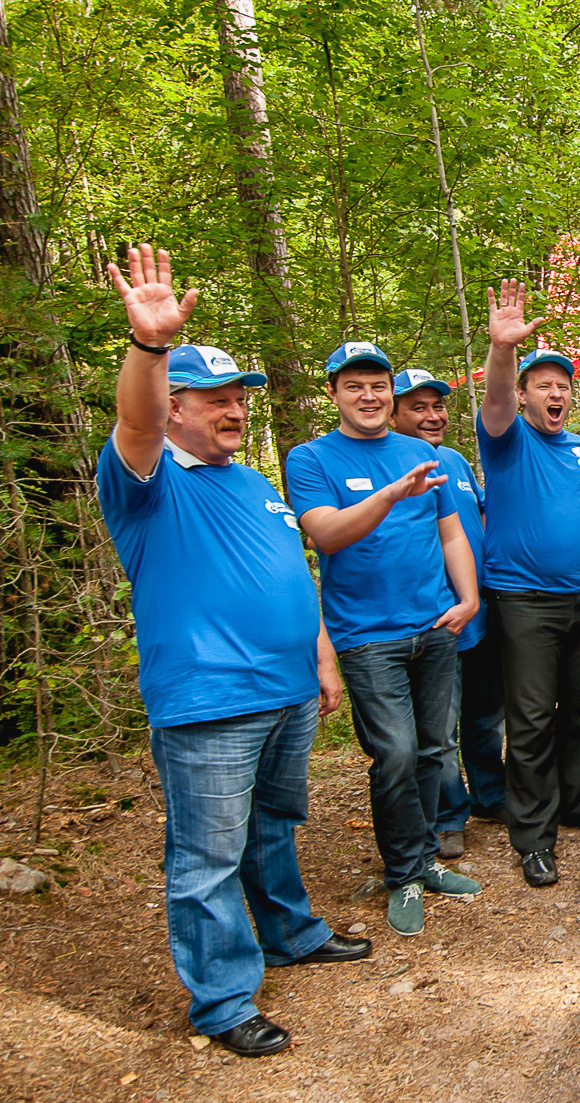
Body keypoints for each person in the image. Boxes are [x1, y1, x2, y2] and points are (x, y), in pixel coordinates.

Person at [98, 245, 370, 1058]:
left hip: (286, 690)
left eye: (239, 397)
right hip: (210, 702)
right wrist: (149, 345)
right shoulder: (147, 482)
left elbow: (292, 575)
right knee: (207, 855)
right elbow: (134, 422)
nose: (233, 410)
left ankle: (289, 930)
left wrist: (321, 657)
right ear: (174, 407)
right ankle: (221, 998)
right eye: (213, 398)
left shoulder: (253, 483)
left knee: (274, 826)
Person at [287, 342, 484, 937]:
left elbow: (449, 530)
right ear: (333, 394)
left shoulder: (421, 452)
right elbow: (325, 534)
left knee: (433, 748)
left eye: (377, 386)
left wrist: (467, 598)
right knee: (394, 754)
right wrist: (389, 495)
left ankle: (425, 859)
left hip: (435, 626)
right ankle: (402, 873)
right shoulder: (310, 458)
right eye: (354, 387)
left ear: (389, 393)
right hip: (367, 636)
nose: (368, 397)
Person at [478, 279, 580, 888]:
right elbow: (493, 403)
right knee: (532, 718)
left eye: (563, 386)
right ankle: (533, 834)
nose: (555, 392)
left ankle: (577, 801)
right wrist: (502, 350)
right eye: (542, 384)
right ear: (524, 394)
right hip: (522, 600)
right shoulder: (506, 439)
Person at [391, 368, 506, 857]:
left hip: (480, 612)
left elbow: (478, 517)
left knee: (486, 716)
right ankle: (446, 815)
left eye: (438, 406)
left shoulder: (454, 459)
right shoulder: (391, 468)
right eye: (418, 407)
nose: (433, 416)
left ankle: (491, 795)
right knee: (439, 729)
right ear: (393, 412)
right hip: (436, 620)